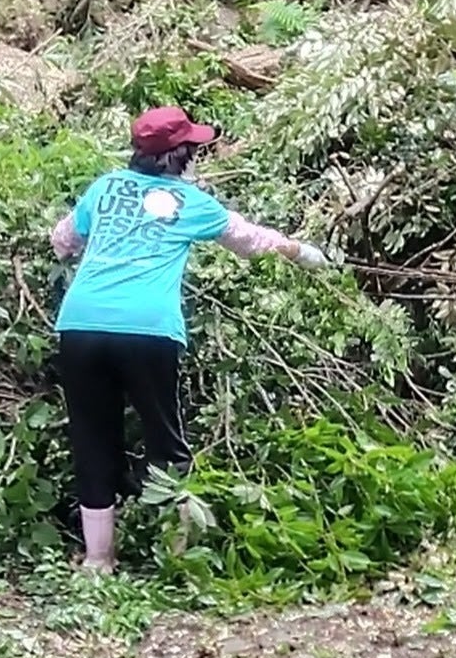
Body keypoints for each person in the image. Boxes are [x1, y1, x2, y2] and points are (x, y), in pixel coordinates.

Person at [50, 106, 330, 573]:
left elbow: (62, 240)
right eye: (193, 148)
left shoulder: (104, 187)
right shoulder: (192, 202)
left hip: (81, 325)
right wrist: (302, 252)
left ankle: (98, 561)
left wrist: (82, 243)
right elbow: (250, 240)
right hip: (148, 330)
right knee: (165, 440)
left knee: (92, 439)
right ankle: (176, 557)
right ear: (180, 155)